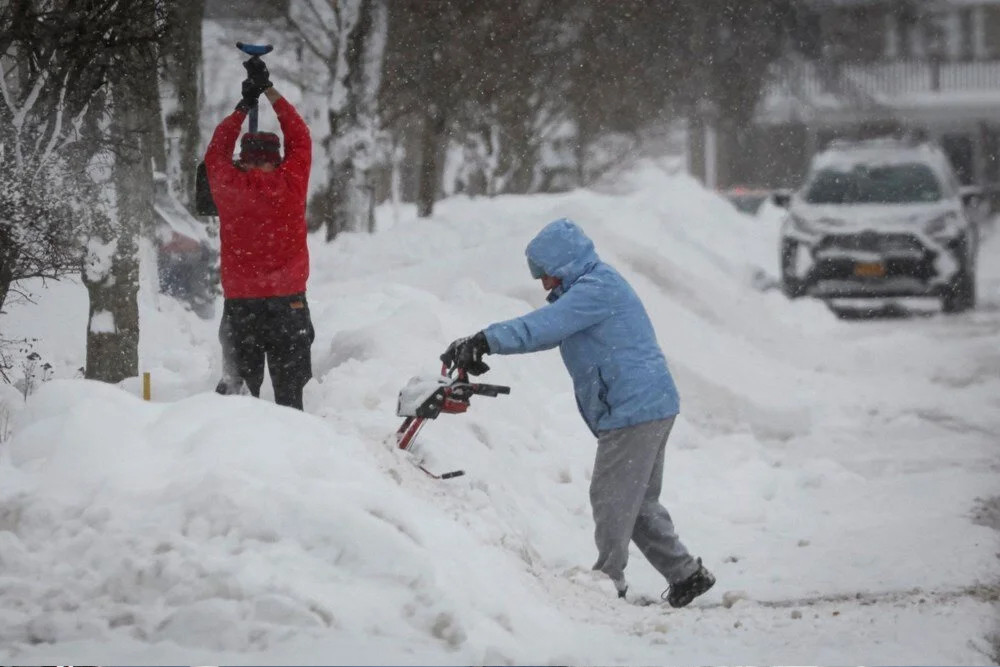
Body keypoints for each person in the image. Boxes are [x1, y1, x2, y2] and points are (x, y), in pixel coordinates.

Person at [441, 218, 715, 608]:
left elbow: (544, 327)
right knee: (635, 503)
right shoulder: (592, 287)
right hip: (646, 402)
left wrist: (486, 339)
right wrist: (487, 344)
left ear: (565, 263)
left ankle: (609, 581)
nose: (544, 284)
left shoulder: (596, 290)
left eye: (546, 274)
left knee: (611, 497)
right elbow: (548, 329)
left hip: (635, 406)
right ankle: (685, 575)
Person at [204, 57, 314, 410]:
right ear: (278, 159)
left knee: (239, 401)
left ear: (243, 159)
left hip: (242, 306)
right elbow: (301, 136)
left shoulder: (229, 185)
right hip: (289, 303)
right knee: (291, 398)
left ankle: (240, 456)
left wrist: (243, 106)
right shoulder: (291, 182)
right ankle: (295, 451)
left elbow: (215, 151)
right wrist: (268, 91)